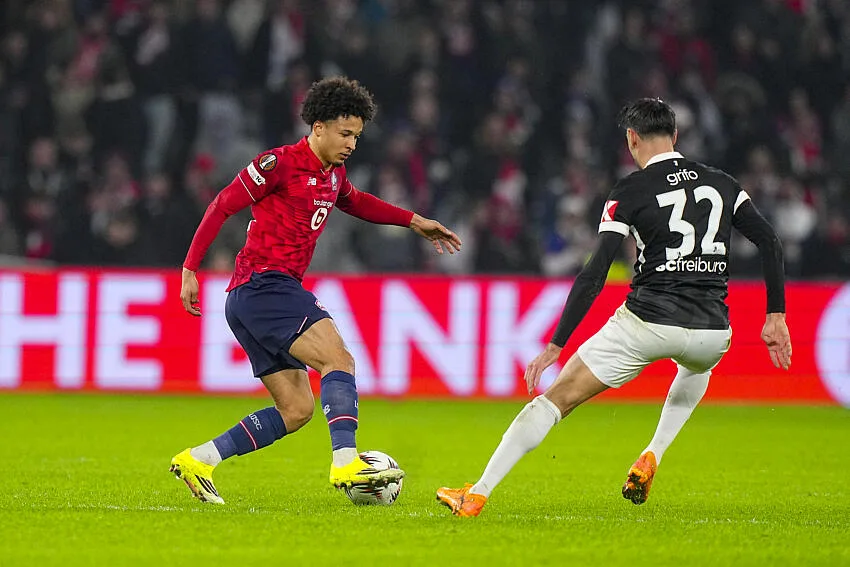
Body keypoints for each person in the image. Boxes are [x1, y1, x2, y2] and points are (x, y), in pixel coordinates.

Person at [436, 98, 792, 517]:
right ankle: (653, 453)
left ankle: (476, 493)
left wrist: (555, 345)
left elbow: (595, 272)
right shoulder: (723, 183)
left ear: (632, 139)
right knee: (697, 367)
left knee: (553, 402)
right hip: (713, 332)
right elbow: (770, 241)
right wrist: (776, 316)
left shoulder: (631, 189)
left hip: (648, 323)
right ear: (675, 135)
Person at [170, 76, 462, 504]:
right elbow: (221, 205)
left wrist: (414, 221)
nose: (351, 144)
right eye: (345, 133)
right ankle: (345, 461)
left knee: (296, 410)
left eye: (357, 136)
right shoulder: (278, 163)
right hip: (264, 285)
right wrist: (190, 269)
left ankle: (199, 459)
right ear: (318, 127)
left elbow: (357, 201)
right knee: (338, 359)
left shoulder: (333, 174)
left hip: (259, 295)